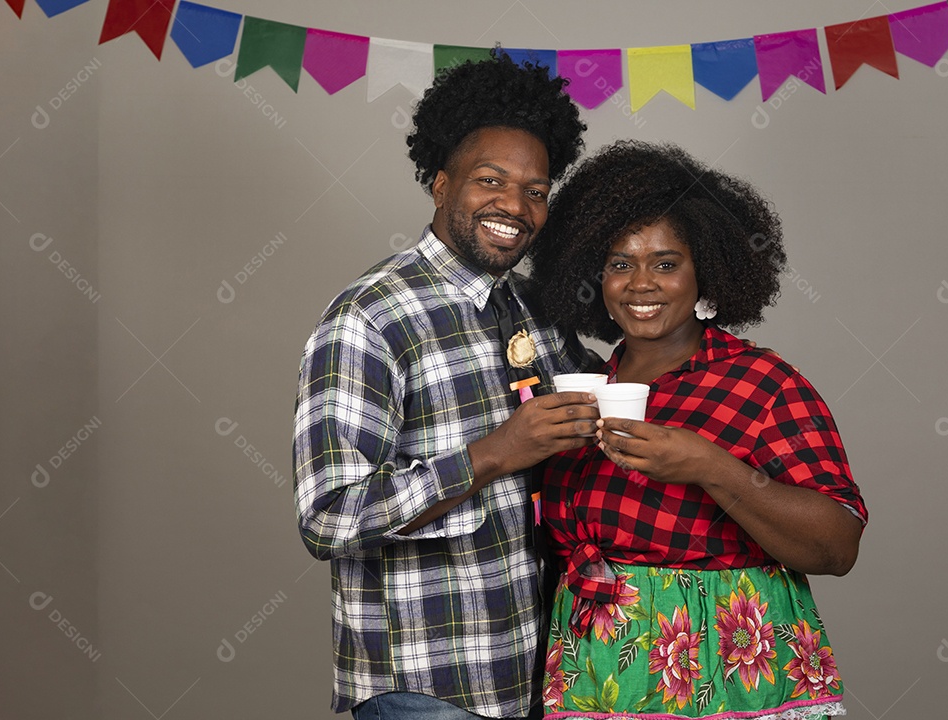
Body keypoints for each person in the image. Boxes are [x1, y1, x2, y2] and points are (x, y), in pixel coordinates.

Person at [292, 54, 602, 720]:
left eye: (537, 190)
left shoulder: (539, 309)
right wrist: (491, 454)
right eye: (491, 180)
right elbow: (328, 517)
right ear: (439, 183)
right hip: (426, 688)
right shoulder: (369, 317)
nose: (515, 206)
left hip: (538, 674)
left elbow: (616, 408)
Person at [528, 141, 868, 720]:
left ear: (704, 269)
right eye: (619, 263)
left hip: (727, 673)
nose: (641, 283)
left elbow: (837, 547)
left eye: (666, 263)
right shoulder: (579, 387)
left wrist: (711, 467)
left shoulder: (763, 382)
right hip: (597, 671)